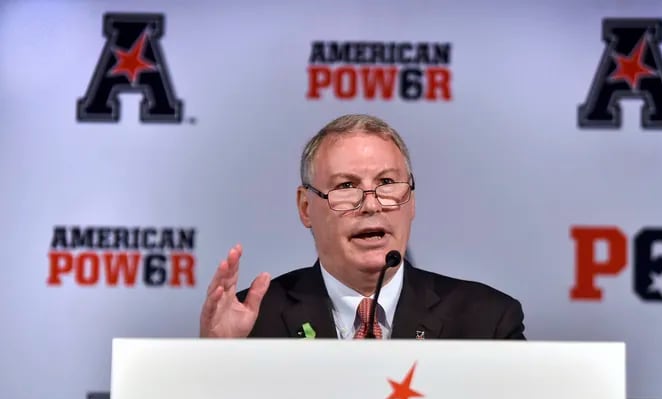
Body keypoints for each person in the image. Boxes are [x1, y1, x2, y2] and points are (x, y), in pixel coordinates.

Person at [199, 114, 526, 340]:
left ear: (411, 200)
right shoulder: (254, 323)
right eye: (345, 187)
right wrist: (216, 360)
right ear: (305, 207)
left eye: (387, 183)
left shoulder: (486, 320)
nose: (371, 204)